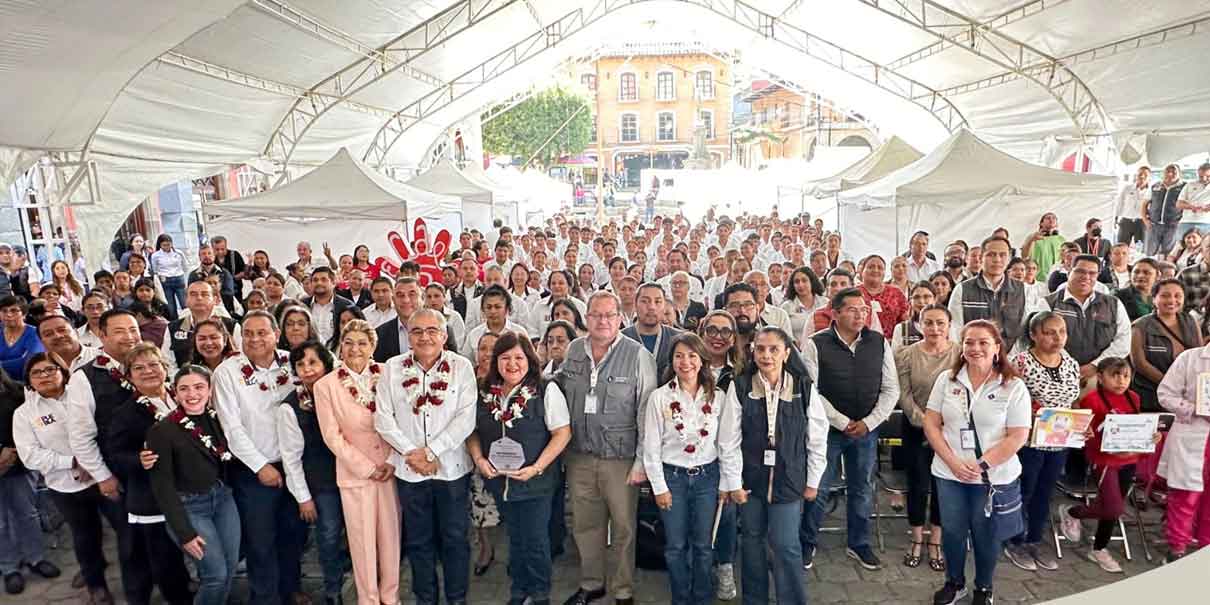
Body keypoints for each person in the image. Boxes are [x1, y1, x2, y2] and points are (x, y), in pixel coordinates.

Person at [554, 291, 657, 605]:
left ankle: (623, 589)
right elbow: (556, 389)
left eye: (609, 315)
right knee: (586, 524)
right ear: (586, 319)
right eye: (596, 315)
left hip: (620, 459)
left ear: (620, 319)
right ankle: (592, 583)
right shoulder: (573, 350)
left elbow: (646, 411)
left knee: (624, 527)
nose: (602, 321)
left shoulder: (638, 354)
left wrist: (642, 461)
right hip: (580, 456)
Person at [924, 320, 1031, 605]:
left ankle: (984, 588)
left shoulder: (1013, 386)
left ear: (997, 348)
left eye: (983, 342)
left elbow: (1018, 435)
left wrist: (981, 465)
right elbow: (931, 423)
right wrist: (952, 461)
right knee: (953, 532)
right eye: (969, 342)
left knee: (986, 535)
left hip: (992, 478)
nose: (975, 348)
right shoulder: (947, 379)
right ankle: (954, 583)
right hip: (949, 474)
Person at [373, 308, 476, 605]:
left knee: (455, 539)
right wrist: (412, 453)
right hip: (410, 472)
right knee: (418, 541)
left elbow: (466, 418)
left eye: (432, 330)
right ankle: (425, 598)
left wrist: (432, 451)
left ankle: (457, 599)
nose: (424, 337)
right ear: (408, 336)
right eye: (417, 331)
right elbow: (383, 418)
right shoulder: (392, 367)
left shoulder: (461, 366)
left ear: (444, 335)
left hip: (451, 471)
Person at [800, 287, 900, 570]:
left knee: (862, 488)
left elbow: (891, 389)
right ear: (836, 313)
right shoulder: (816, 343)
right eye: (853, 309)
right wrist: (842, 422)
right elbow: (812, 391)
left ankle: (859, 544)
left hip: (866, 430)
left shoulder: (878, 342)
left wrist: (869, 423)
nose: (860, 315)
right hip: (828, 431)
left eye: (864, 310)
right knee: (818, 487)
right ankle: (807, 543)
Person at [468, 331, 571, 605]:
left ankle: (539, 595)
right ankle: (519, 591)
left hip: (535, 483)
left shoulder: (545, 389)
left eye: (518, 357)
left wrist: (537, 467)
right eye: (504, 358)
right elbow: (472, 432)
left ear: (530, 358)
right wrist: (479, 460)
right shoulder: (484, 390)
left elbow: (562, 433)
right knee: (515, 539)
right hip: (500, 483)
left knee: (535, 541)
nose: (512, 364)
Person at [213, 311, 308, 605]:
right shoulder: (227, 373)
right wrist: (260, 466)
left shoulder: (294, 362)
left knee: (293, 534)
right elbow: (232, 428)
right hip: (254, 471)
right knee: (260, 540)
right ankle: (265, 597)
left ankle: (291, 589)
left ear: (276, 334)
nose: (255, 339)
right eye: (249, 333)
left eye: (262, 332)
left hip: (295, 467)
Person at [730, 326, 827, 605]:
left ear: (787, 352)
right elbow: (729, 440)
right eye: (760, 349)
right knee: (751, 542)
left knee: (786, 545)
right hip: (751, 481)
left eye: (774, 349)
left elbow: (817, 438)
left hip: (789, 479)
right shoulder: (741, 386)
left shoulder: (803, 388)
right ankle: (754, 600)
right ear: (752, 352)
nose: (766, 355)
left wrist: (813, 481)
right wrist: (733, 482)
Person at [640, 333, 740, 605]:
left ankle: (702, 597)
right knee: (675, 546)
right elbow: (650, 447)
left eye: (692, 356)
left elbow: (726, 443)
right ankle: (681, 598)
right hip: (673, 478)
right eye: (679, 356)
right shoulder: (659, 398)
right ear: (671, 361)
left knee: (703, 545)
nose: (685, 362)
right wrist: (659, 488)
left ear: (702, 360)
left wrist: (725, 484)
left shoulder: (718, 396)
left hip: (708, 477)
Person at [313, 321, 400, 605]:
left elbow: (401, 419)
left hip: (390, 469)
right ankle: (368, 599)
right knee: (362, 542)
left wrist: (391, 460)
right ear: (340, 345)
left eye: (362, 342)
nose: (355, 348)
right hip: (356, 474)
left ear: (373, 347)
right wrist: (367, 467)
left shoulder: (388, 373)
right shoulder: (326, 385)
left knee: (391, 537)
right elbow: (332, 436)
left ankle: (391, 596)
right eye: (349, 342)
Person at [13, 354, 113, 602]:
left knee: (125, 529)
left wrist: (92, 462)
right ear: (28, 380)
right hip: (66, 486)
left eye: (50, 369)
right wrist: (72, 462)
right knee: (85, 536)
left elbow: (103, 431)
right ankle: (96, 583)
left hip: (103, 476)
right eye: (37, 373)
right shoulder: (24, 414)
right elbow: (30, 456)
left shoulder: (82, 395)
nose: (45, 376)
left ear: (63, 371)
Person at [102, 344, 194, 605]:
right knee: (166, 561)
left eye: (154, 364)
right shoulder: (125, 413)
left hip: (191, 491)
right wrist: (138, 460)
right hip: (153, 499)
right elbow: (115, 454)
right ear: (129, 376)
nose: (148, 371)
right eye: (139, 368)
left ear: (165, 368)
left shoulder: (184, 397)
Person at [143, 364, 239, 605]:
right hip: (191, 507)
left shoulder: (219, 419)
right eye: (183, 389)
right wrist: (184, 533)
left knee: (229, 568)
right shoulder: (161, 430)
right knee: (215, 575)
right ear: (174, 392)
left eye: (199, 387)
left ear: (209, 390)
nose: (192, 394)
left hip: (223, 499)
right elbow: (162, 486)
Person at [998, 311, 1081, 572]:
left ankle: (1034, 539)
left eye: (1062, 331)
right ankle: (1014, 540)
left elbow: (1072, 401)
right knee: (1024, 490)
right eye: (1049, 332)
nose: (1057, 338)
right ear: (1033, 335)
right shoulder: (1021, 362)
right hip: (1027, 441)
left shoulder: (1070, 362)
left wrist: (1081, 426)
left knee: (1045, 492)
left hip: (1059, 440)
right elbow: (1007, 399)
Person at [1057, 358, 1153, 573]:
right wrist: (1089, 436)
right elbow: (1084, 432)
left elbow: (1137, 429)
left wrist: (1149, 437)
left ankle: (1098, 547)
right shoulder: (1092, 400)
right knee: (1114, 507)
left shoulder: (1134, 398)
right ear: (1100, 377)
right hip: (1104, 459)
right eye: (1115, 375)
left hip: (1129, 458)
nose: (1121, 381)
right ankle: (1074, 512)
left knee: (1113, 506)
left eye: (1126, 376)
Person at [278, 340, 347, 605]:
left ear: (326, 364)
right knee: (328, 535)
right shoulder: (291, 406)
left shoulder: (343, 390)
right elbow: (291, 458)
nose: (307, 369)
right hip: (322, 483)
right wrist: (303, 497)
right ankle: (333, 590)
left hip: (352, 475)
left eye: (313, 362)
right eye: (300, 364)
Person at [894, 304, 958, 571]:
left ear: (949, 325)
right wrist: (927, 424)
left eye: (940, 323)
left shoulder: (960, 353)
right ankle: (918, 539)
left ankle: (937, 541)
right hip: (916, 428)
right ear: (919, 325)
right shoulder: (906, 354)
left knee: (943, 485)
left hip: (951, 430)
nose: (934, 329)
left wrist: (945, 424)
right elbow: (904, 395)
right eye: (928, 323)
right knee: (918, 484)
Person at [0, 363, 61, 596]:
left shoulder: (17, 392)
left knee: (27, 513)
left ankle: (36, 558)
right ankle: (9, 567)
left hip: (17, 464)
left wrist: (10, 452)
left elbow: (31, 427)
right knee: (0, 522)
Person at [1153, 340, 1210, 563]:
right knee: (1185, 496)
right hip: (1192, 434)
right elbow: (1165, 394)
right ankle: (1177, 547)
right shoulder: (1190, 358)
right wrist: (1195, 409)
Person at [948, 236, 1029, 353]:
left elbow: (1025, 330)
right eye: (991, 254)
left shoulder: (1023, 290)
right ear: (981, 258)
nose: (997, 259)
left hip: (1010, 360)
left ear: (1009, 258)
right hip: (973, 357)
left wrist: (1011, 358)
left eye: (1002, 255)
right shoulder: (962, 289)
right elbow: (955, 330)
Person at [162, 280, 241, 373]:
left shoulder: (231, 326)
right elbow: (167, 363)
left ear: (215, 300)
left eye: (205, 294)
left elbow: (241, 358)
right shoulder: (173, 328)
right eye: (193, 294)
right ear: (186, 300)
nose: (199, 298)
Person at [622, 283, 680, 377]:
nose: (651, 307)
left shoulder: (679, 339)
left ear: (664, 306)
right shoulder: (620, 339)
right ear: (635, 305)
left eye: (657, 302)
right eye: (645, 301)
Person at [461, 285, 528, 358]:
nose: (493, 311)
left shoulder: (519, 333)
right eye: (489, 307)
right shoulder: (474, 335)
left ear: (507, 309)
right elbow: (467, 362)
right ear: (483, 310)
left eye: (497, 307)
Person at [373, 278, 422, 362]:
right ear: (393, 300)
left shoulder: (441, 329)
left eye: (412, 294)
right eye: (400, 295)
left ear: (422, 298)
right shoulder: (380, 333)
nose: (406, 300)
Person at [1143, 163, 1187, 257]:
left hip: (1172, 227)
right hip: (1154, 225)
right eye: (1168, 171)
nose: (1170, 174)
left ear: (1179, 173)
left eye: (1174, 172)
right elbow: (1144, 204)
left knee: (1168, 254)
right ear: (1163, 173)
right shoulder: (1155, 186)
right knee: (1149, 253)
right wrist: (1145, 220)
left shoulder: (1184, 187)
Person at [304, 267, 355, 346]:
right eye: (315, 280)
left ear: (333, 283)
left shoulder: (347, 305)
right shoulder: (302, 305)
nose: (319, 283)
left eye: (324, 280)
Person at [0, 296, 43, 380]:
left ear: (24, 314)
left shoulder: (35, 333)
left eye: (14, 310)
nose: (8, 314)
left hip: (26, 385)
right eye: (4, 311)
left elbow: (29, 362)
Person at [149, 235, 189, 321]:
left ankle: (188, 321)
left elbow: (185, 266)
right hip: (165, 280)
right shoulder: (155, 255)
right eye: (164, 245)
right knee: (170, 306)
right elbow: (155, 270)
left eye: (169, 244)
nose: (167, 247)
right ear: (160, 245)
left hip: (178, 278)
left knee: (184, 303)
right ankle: (174, 323)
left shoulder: (178, 253)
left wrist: (183, 276)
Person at [1020, 212, 1066, 277]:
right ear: (1041, 223)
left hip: (1057, 276)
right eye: (1048, 218)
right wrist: (1031, 240)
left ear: (1057, 224)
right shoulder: (1033, 237)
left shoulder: (1061, 239)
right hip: (1038, 276)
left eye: (1054, 218)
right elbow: (1024, 256)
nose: (1051, 220)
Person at [893, 282, 936, 349]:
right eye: (916, 297)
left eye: (926, 297)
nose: (921, 301)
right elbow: (896, 356)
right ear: (910, 301)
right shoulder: (901, 329)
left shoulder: (946, 327)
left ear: (934, 299)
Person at [1115, 166, 1151, 245]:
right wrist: (1116, 217)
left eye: (1145, 174)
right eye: (1140, 174)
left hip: (1141, 223)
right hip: (1126, 222)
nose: (1142, 176)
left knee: (1140, 247)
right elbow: (1119, 203)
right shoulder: (1127, 188)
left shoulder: (1151, 191)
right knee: (1121, 246)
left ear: (1149, 177)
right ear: (1136, 175)